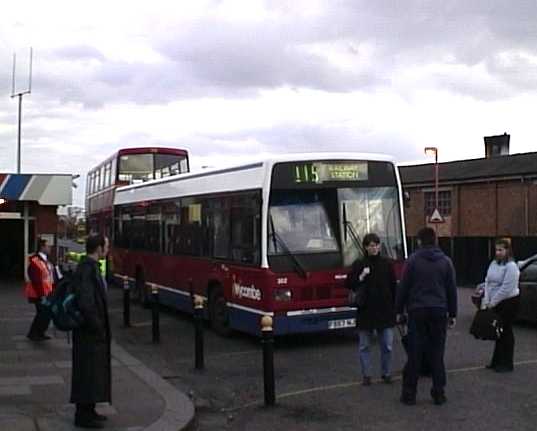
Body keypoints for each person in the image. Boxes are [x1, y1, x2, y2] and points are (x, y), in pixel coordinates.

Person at [396, 227, 457, 406]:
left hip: (417, 310)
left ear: (420, 241)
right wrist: (452, 313)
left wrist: (398, 310)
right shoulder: (446, 262)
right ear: (435, 240)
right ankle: (438, 392)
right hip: (439, 310)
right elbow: (451, 289)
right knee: (437, 353)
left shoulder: (412, 261)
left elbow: (403, 288)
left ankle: (409, 394)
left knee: (415, 353)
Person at [70, 235, 111, 429]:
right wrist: (97, 326)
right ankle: (83, 416)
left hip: (91, 332)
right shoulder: (87, 269)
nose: (108, 249)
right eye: (106, 246)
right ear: (99, 248)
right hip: (88, 332)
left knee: (93, 373)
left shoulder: (90, 266)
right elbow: (86, 303)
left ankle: (90, 410)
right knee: (87, 373)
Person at [347, 233, 397, 386]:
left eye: (376, 245)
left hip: (385, 310)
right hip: (366, 311)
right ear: (365, 247)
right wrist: (361, 276)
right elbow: (349, 283)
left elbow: (393, 287)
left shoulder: (387, 264)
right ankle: (367, 375)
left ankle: (386, 373)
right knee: (364, 346)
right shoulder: (359, 264)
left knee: (387, 346)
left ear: (379, 246)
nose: (373, 248)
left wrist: (396, 308)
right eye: (370, 245)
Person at [481, 238, 520, 373]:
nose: (498, 253)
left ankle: (507, 364)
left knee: (505, 331)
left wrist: (493, 302)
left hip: (508, 302)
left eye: (501, 250)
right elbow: (487, 281)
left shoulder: (511, 267)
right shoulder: (493, 263)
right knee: (497, 331)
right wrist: (486, 299)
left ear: (507, 251)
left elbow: (506, 289)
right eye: (496, 250)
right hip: (495, 302)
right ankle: (496, 361)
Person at [25, 239, 55, 341]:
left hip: (47, 292)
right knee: (42, 313)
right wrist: (42, 294)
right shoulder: (36, 261)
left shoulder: (47, 260)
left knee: (44, 313)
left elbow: (50, 276)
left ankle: (39, 333)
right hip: (38, 293)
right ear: (42, 248)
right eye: (48, 246)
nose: (50, 248)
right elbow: (36, 280)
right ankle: (34, 333)